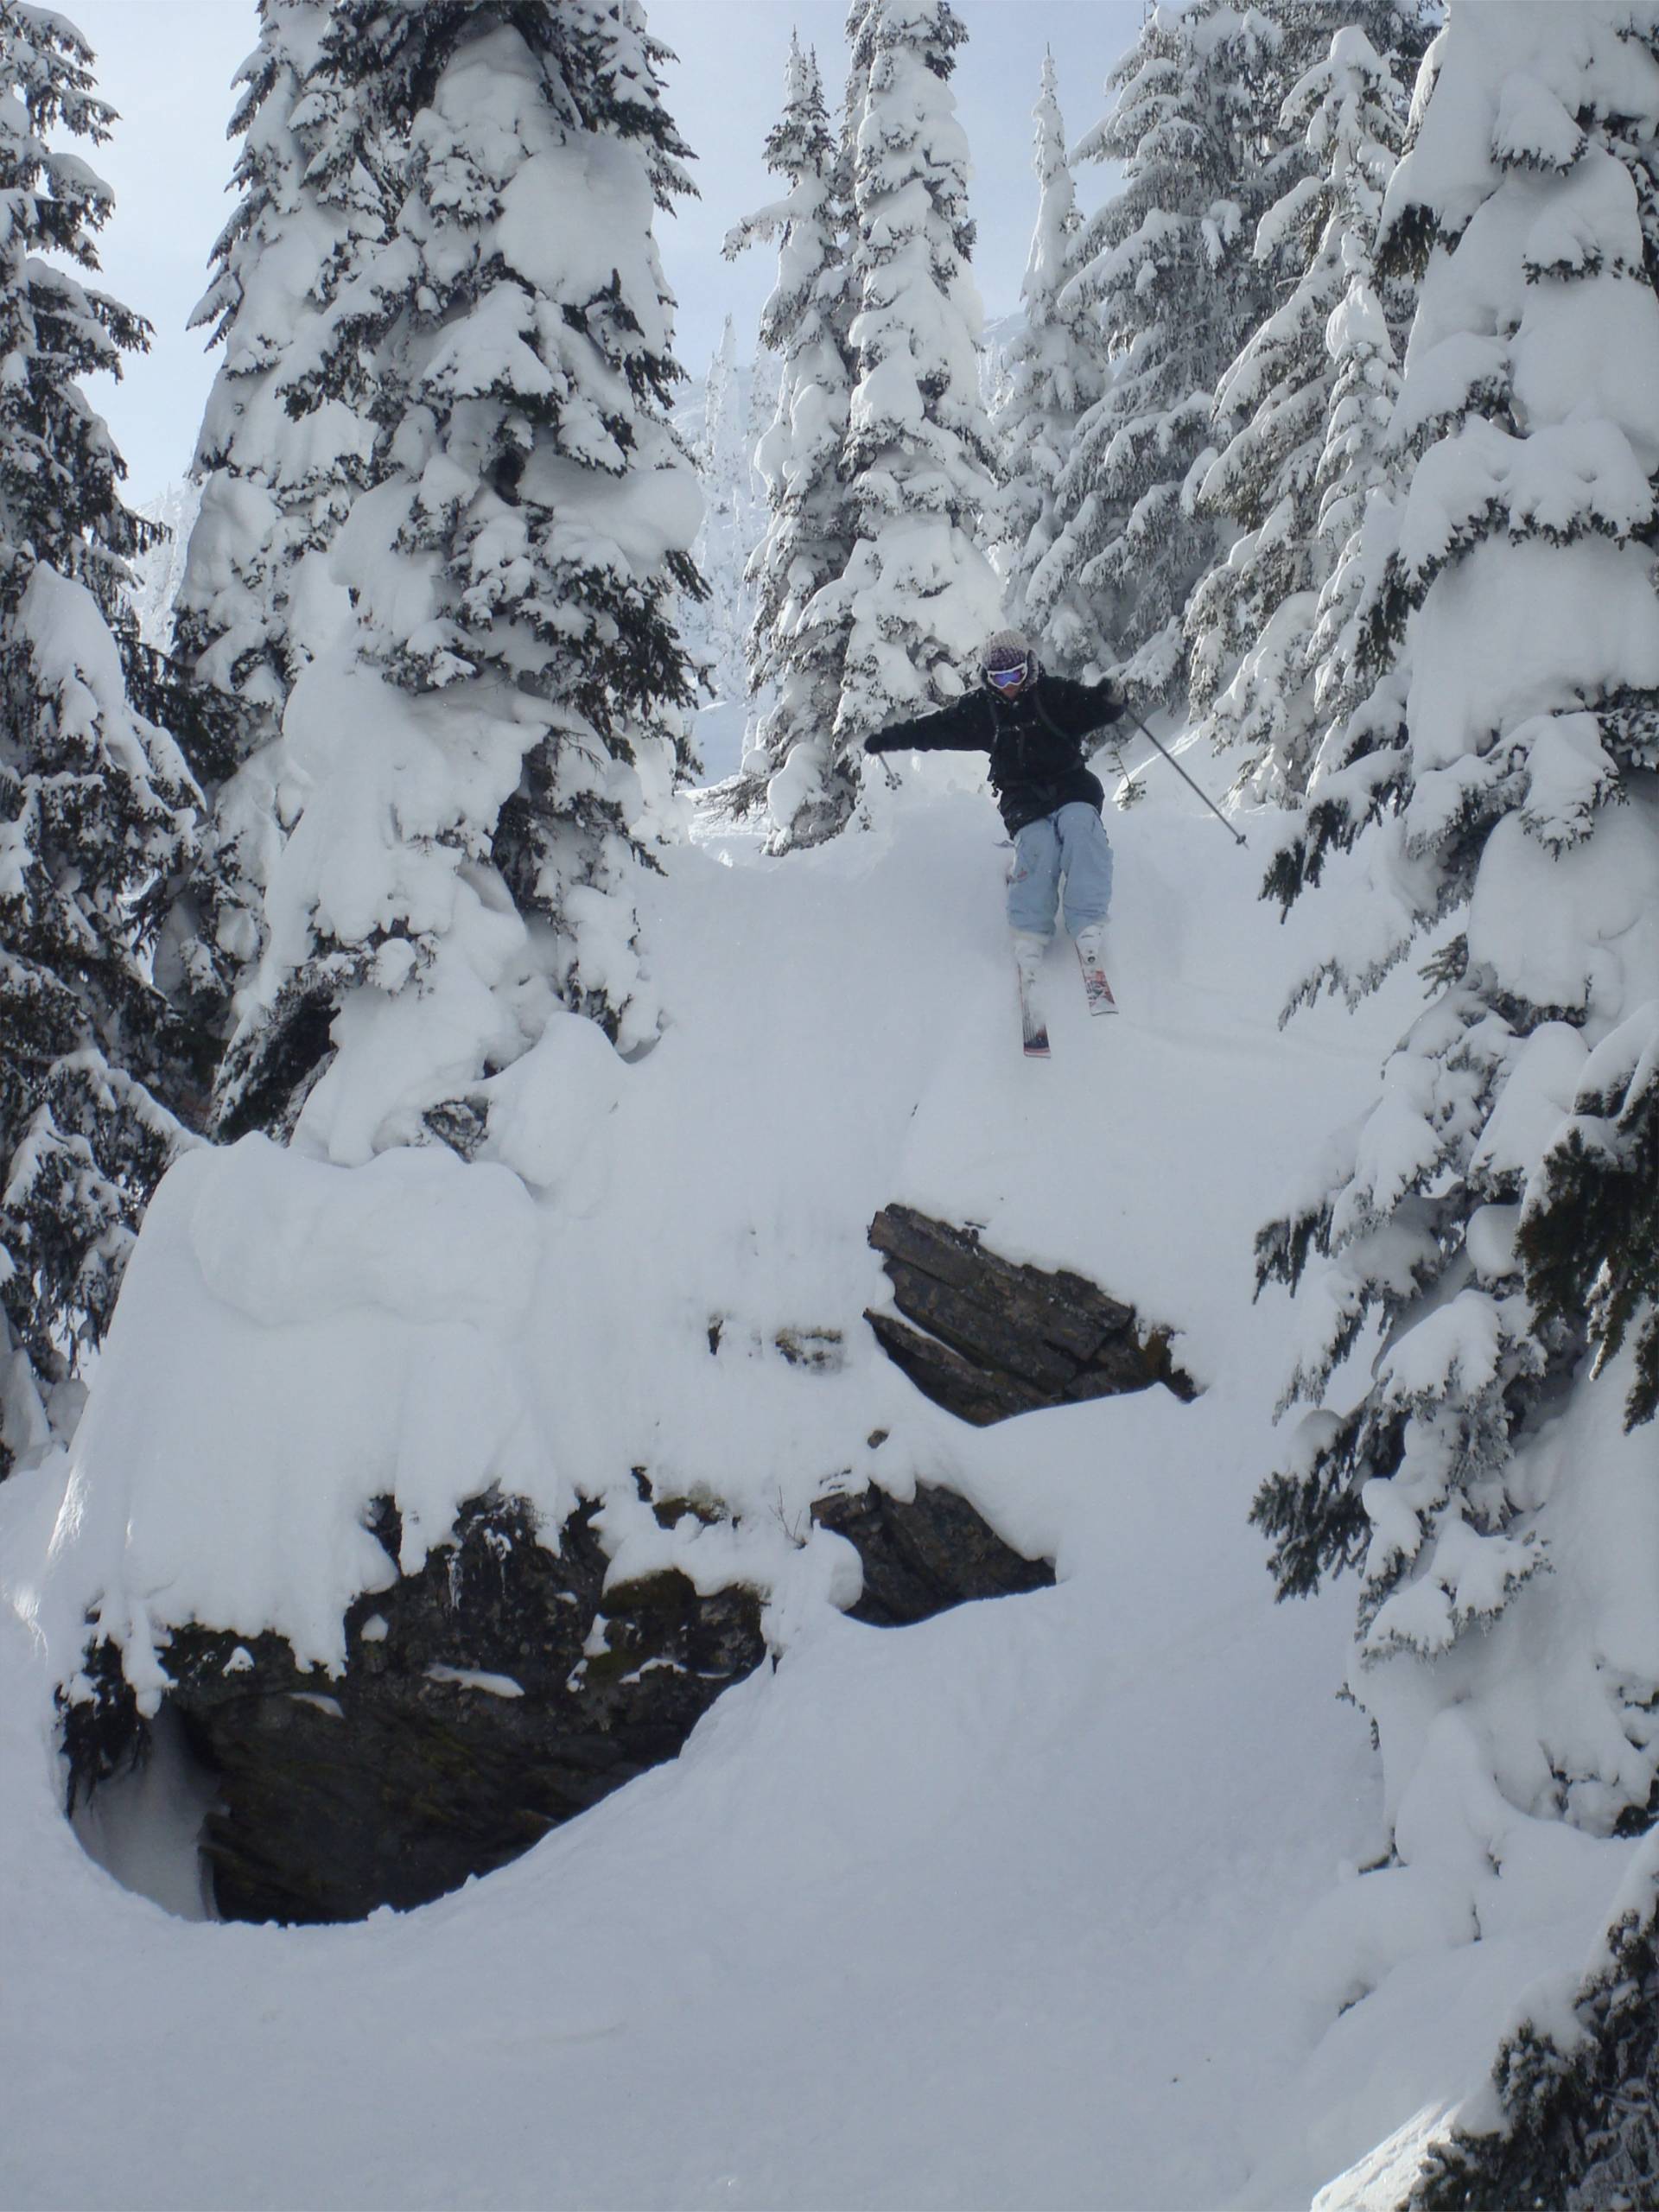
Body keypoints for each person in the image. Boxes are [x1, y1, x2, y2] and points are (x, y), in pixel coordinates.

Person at [862, 628, 1124, 997]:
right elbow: (933, 729)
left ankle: (1088, 925)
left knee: (1081, 828)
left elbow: (1096, 707)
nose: (1009, 687)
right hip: (1022, 796)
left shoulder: (1055, 696)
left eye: (1015, 676)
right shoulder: (981, 711)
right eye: (999, 679)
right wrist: (888, 739)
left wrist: (1111, 700)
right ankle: (1030, 934)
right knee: (1038, 845)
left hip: (1071, 784)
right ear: (987, 677)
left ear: (1029, 668)